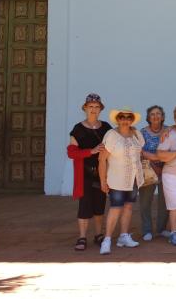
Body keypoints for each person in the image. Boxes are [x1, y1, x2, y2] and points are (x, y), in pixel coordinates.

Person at [143, 105, 176, 246]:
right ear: (175, 119)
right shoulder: (169, 135)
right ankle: (174, 233)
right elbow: (160, 155)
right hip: (172, 176)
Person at [67, 93, 112, 251]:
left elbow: (115, 142)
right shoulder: (78, 129)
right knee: (85, 207)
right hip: (85, 174)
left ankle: (98, 235)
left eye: (97, 107)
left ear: (101, 109)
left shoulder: (106, 127)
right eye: (90, 106)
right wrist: (91, 151)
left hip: (101, 173)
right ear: (85, 108)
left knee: (100, 206)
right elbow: (71, 153)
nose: (93, 109)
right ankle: (82, 237)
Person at [98, 107, 146, 255]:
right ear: (117, 119)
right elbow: (102, 159)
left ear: (132, 120)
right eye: (122, 117)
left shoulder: (136, 134)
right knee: (115, 208)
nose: (125, 120)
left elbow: (141, 152)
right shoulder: (111, 135)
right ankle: (107, 240)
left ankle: (123, 236)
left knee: (128, 207)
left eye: (128, 117)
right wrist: (103, 181)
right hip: (116, 179)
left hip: (133, 178)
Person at [138, 105, 171, 242]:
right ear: (148, 117)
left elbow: (172, 150)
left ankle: (161, 229)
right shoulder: (142, 132)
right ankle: (147, 230)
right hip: (147, 170)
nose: (156, 116)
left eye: (158, 114)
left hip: (166, 170)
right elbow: (140, 151)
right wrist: (155, 162)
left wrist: (162, 165)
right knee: (145, 202)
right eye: (152, 114)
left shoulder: (169, 131)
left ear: (162, 117)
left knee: (165, 201)